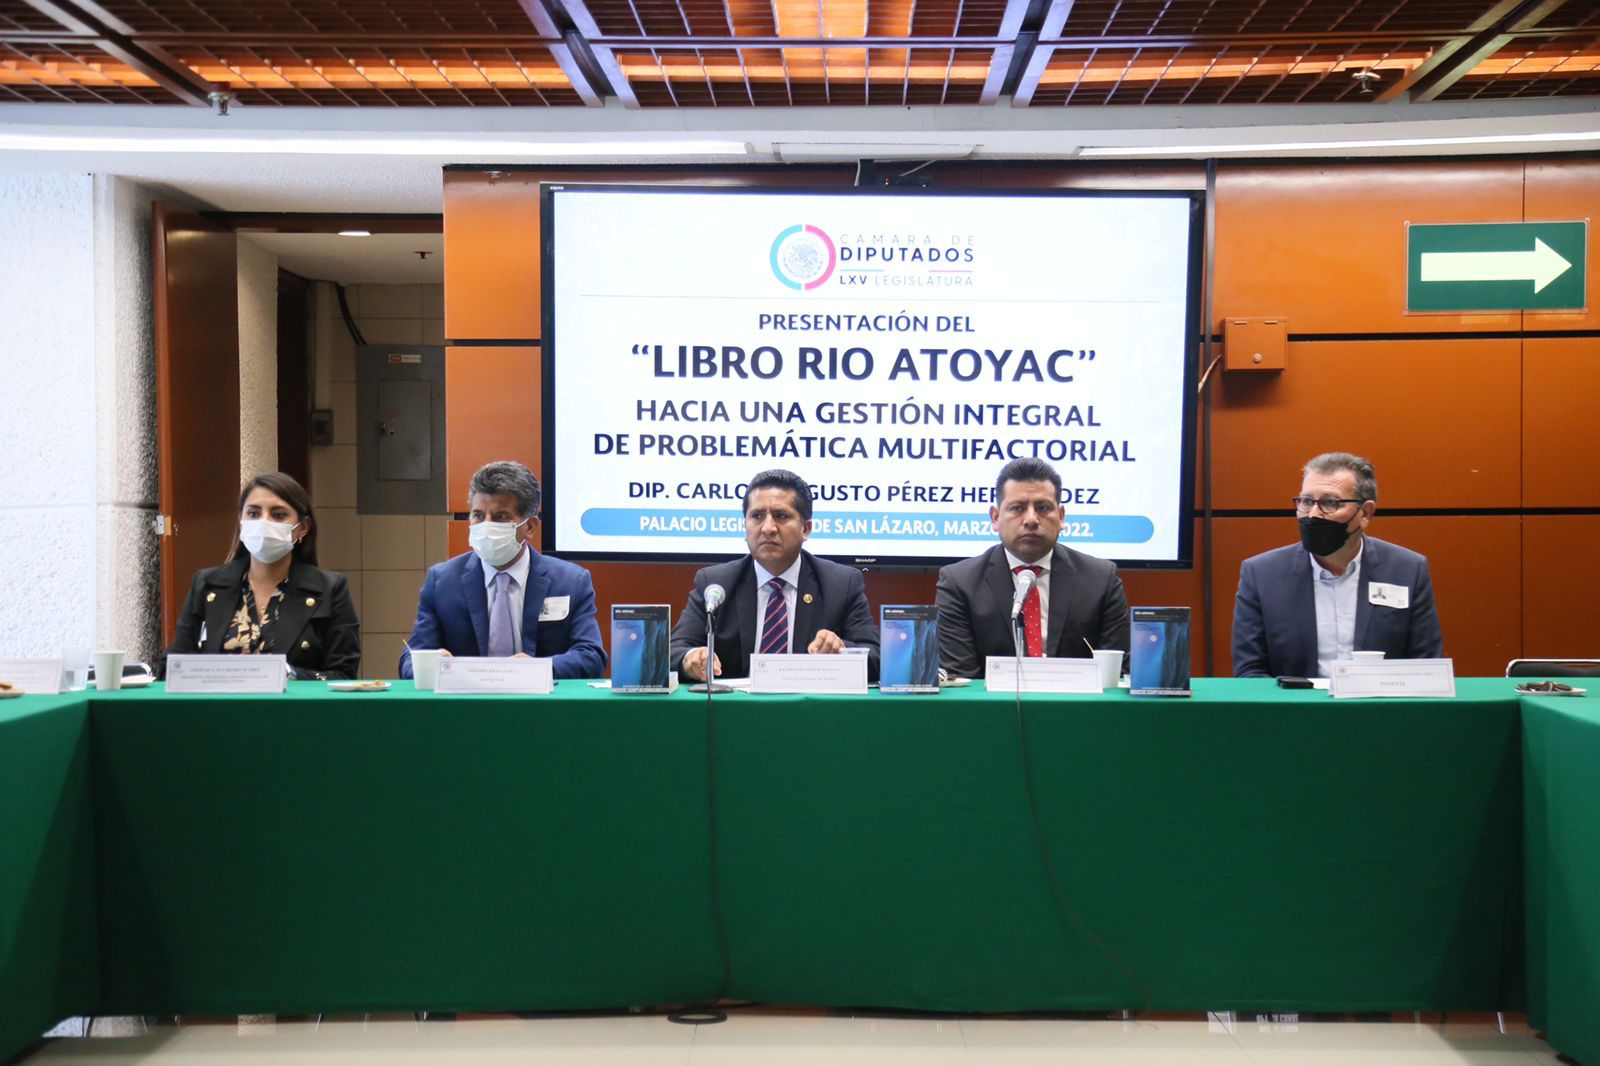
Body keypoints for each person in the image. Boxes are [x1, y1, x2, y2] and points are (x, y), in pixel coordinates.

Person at [1232, 451, 1443, 679]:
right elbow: (1250, 671)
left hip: (1378, 701)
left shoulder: (1407, 570)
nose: (1313, 514)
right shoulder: (1262, 574)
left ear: (1365, 513)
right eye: (1306, 501)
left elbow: (1426, 667)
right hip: (1295, 702)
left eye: (1330, 503)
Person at [399, 460, 605, 679]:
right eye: (478, 515)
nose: (486, 526)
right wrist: (429, 664)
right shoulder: (442, 581)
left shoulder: (571, 581)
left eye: (501, 517)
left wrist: (539, 668)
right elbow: (409, 660)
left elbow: (591, 656)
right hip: (467, 698)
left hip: (540, 699)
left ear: (530, 527)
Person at [669, 468, 879, 682]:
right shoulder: (715, 584)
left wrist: (841, 651)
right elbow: (674, 651)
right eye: (757, 516)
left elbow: (876, 657)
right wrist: (690, 658)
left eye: (781, 516)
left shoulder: (841, 584)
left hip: (811, 702)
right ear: (745, 526)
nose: (768, 528)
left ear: (806, 529)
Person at [936, 457, 1130, 679]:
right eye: (1017, 508)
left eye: (1043, 508)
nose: (1031, 519)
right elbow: (961, 679)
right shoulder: (959, 583)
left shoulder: (1101, 580)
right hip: (992, 702)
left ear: (1061, 517)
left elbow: (1116, 674)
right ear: (996, 518)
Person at [159, 472, 360, 680]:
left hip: (293, 702)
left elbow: (343, 674)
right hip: (220, 702)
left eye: (278, 515)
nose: (264, 522)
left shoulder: (329, 589)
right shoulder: (207, 584)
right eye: (254, 514)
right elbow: (173, 668)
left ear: (302, 528)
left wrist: (289, 674)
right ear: (241, 523)